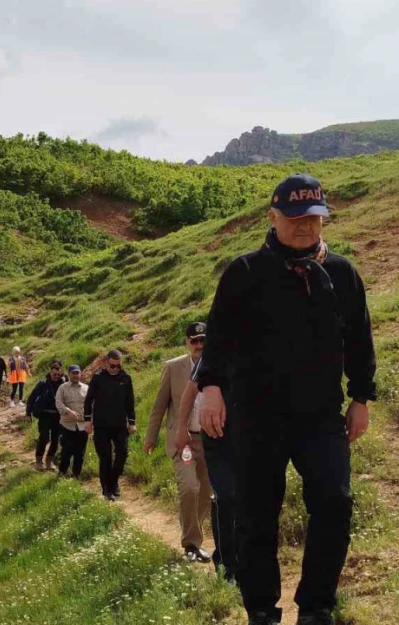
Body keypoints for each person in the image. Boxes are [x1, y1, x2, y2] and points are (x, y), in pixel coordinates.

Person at [195, 174, 376, 625]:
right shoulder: (245, 272)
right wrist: (211, 389)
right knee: (256, 515)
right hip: (256, 417)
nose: (306, 226)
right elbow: (217, 339)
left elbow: (359, 339)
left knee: (335, 501)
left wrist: (361, 397)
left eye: (314, 217)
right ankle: (261, 609)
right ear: (273, 217)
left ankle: (316, 607)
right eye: (295, 218)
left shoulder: (342, 273)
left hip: (320, 417)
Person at [144, 322, 214, 563]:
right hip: (182, 440)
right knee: (189, 488)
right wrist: (150, 437)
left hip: (209, 440)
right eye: (194, 340)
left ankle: (195, 539)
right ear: (186, 342)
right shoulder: (173, 368)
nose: (198, 345)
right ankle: (191, 544)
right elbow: (159, 405)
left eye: (202, 340)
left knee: (205, 493)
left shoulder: (217, 366)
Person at [173, 361, 237, 583]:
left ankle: (249, 561)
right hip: (215, 436)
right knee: (225, 496)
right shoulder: (215, 349)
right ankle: (227, 567)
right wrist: (181, 428)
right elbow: (190, 391)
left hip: (250, 436)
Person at [84, 350, 136, 501]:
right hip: (101, 425)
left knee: (122, 454)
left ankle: (113, 482)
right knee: (105, 458)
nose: (115, 369)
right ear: (106, 363)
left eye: (118, 366)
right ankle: (107, 489)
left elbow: (130, 402)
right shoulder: (98, 378)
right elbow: (89, 400)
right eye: (112, 366)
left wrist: (132, 422)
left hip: (120, 425)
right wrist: (88, 420)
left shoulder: (126, 378)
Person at [26, 360, 66, 471]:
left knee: (55, 439)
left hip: (58, 416)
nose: (56, 377)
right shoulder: (43, 383)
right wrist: (28, 414)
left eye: (59, 375)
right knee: (44, 438)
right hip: (44, 414)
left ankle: (49, 460)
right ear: (50, 372)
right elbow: (32, 398)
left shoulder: (63, 384)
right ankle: (39, 460)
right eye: (54, 374)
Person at [55, 364, 90, 478]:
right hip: (67, 424)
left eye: (77, 373)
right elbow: (58, 403)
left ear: (80, 374)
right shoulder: (63, 388)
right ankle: (62, 472)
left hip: (82, 425)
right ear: (69, 374)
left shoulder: (86, 388)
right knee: (66, 451)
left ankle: (76, 476)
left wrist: (91, 421)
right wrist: (68, 411)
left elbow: (92, 405)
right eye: (73, 373)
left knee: (80, 453)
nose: (75, 375)